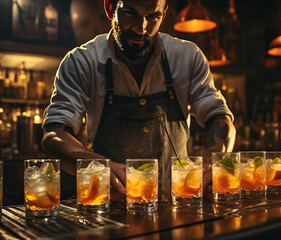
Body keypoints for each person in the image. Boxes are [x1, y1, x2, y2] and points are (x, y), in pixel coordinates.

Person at [41, 0, 236, 201]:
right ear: (110, 8)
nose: (141, 28)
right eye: (130, 13)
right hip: (109, 206)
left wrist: (213, 160)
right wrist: (101, 166)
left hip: (179, 204)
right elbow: (53, 136)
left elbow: (220, 117)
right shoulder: (81, 62)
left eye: (152, 16)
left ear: (164, 13)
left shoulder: (187, 57)